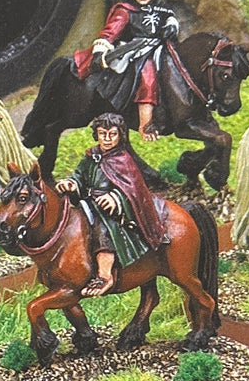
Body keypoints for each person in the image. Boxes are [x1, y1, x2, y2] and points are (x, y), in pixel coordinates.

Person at [56, 113, 168, 296]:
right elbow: (80, 175)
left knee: (103, 229)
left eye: (112, 134)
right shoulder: (91, 156)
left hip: (111, 211)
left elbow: (132, 187)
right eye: (102, 134)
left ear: (120, 136)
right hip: (88, 204)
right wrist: (72, 183)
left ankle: (105, 275)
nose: (107, 139)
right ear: (96, 134)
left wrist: (115, 198)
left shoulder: (123, 160)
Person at [71, 0, 180, 141]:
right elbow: (110, 32)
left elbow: (170, 17)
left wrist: (172, 26)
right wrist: (100, 50)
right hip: (136, 52)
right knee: (148, 75)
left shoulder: (162, 9)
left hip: (162, 49)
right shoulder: (125, 11)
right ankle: (146, 124)